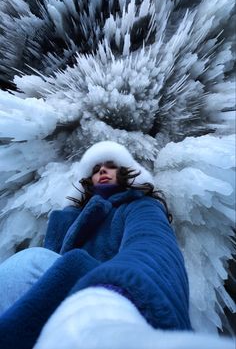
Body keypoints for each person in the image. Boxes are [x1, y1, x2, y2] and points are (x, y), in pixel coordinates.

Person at [0, 141, 192, 349]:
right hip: (61, 303)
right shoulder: (70, 219)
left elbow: (153, 244)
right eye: (95, 169)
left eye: (111, 165)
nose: (102, 170)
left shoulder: (140, 205)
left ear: (125, 173)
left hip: (108, 300)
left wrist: (121, 290)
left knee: (32, 260)